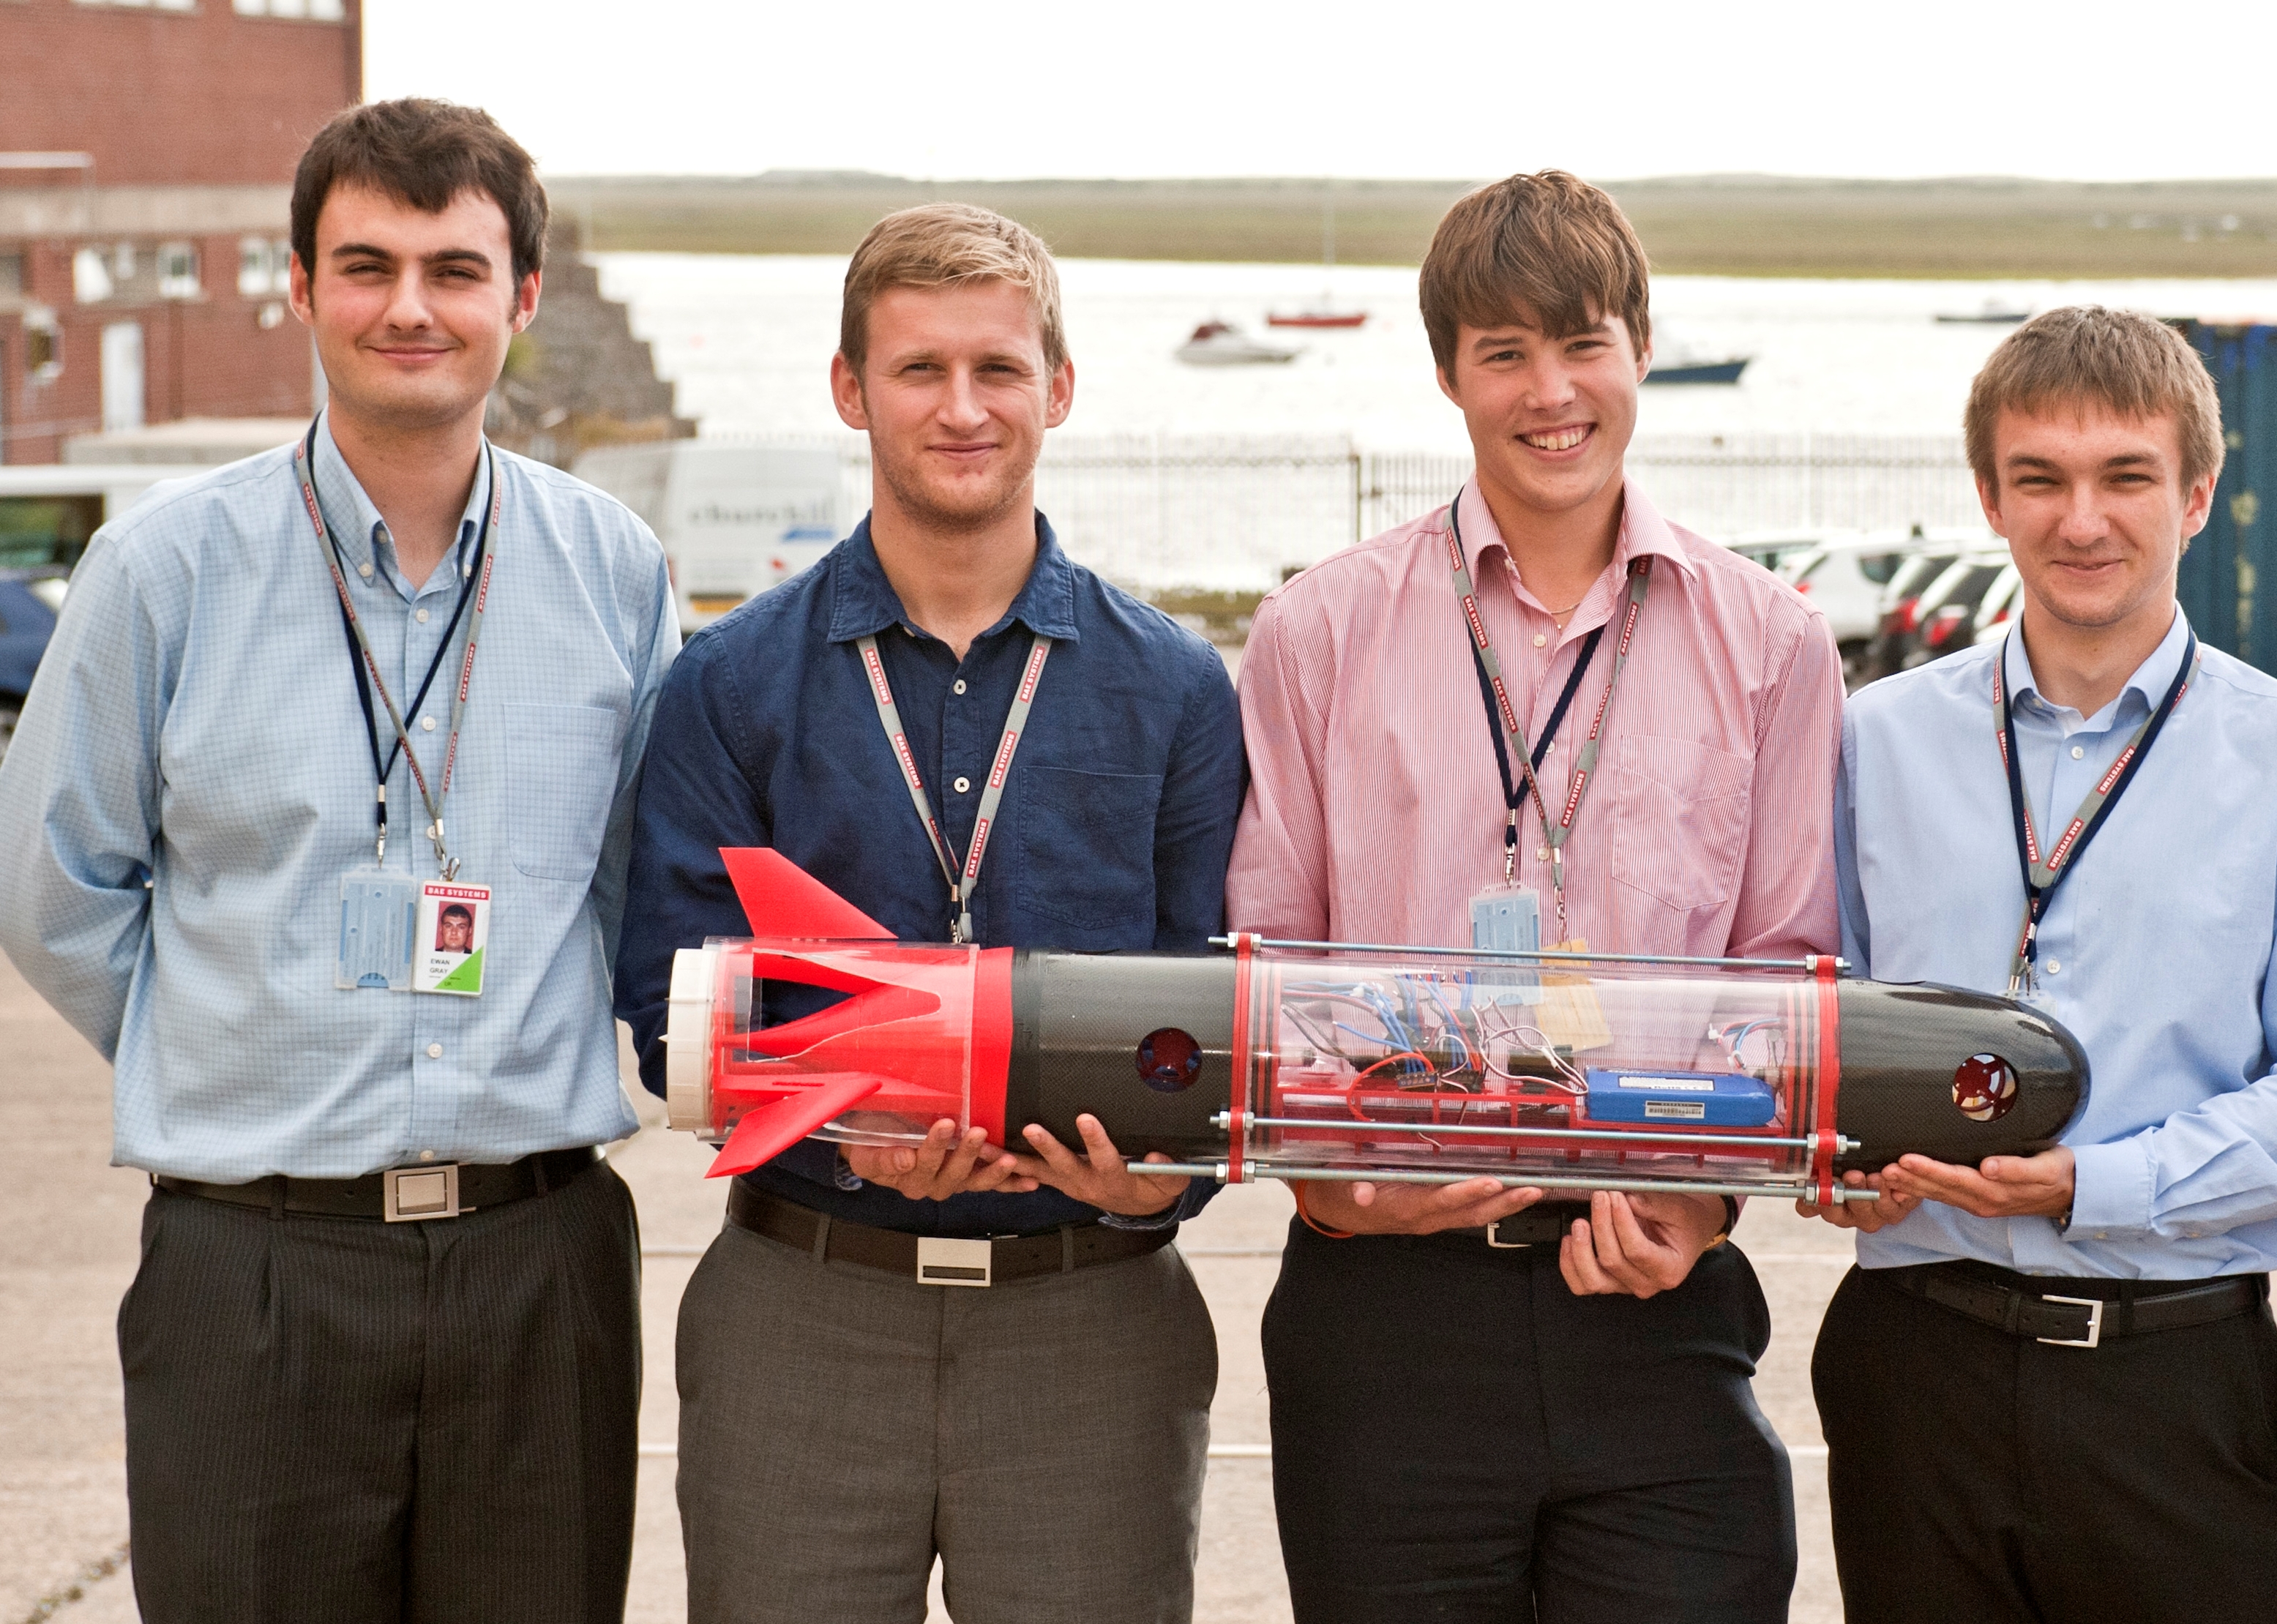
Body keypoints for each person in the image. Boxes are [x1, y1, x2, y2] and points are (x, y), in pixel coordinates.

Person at [0, 100, 676, 1622]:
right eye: (365, 266)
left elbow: (639, 899)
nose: (409, 308)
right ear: (299, 288)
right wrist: (234, 1036)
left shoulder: (613, 573)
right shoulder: (163, 572)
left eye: (454, 268)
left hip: (540, 1259)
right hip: (255, 1265)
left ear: (523, 298)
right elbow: (50, 885)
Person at [612, 203, 1246, 1624]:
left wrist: (1164, 1180)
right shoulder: (729, 684)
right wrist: (851, 1120)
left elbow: (1216, 1000)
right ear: (850, 389)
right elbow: (669, 1000)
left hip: (1092, 1316)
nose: (962, 408)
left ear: (1059, 388)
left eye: (998, 369)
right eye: (918, 370)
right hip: (805, 1309)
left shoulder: (1179, 692)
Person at [1225, 169, 1844, 1622]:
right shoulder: (1317, 630)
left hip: (1650, 1291)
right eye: (1504, 352)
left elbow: (1785, 968)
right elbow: (1266, 964)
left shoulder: (1771, 641)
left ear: (1639, 346)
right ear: (1449, 373)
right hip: (1385, 1315)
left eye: (1583, 345)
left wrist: (1696, 1208)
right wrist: (1335, 1183)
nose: (1549, 392)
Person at [1807, 305, 2277, 1623]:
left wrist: (2092, 1183)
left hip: (2177, 1383)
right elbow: (1819, 1017)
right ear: (1990, 498)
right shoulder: (1876, 742)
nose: (2084, 519)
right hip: (1920, 1368)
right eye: (2043, 480)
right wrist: (1835, 1165)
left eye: (2126, 476)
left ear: (2196, 495)